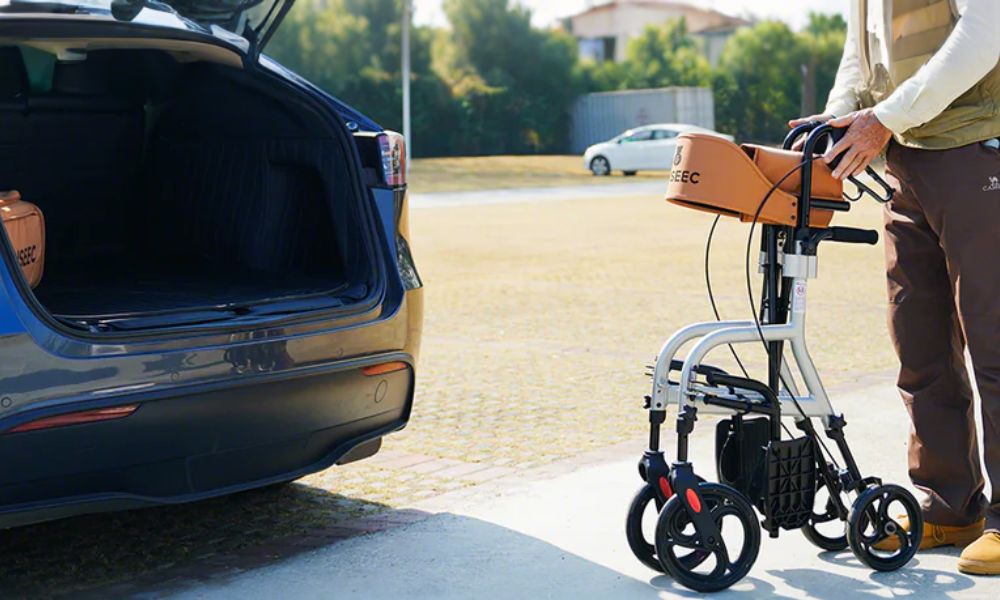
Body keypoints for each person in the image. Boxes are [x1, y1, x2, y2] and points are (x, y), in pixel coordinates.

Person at [790, 0, 1000, 576]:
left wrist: (882, 119)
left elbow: (985, 35)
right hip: (907, 158)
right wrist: (836, 121)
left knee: (995, 342)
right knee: (920, 342)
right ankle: (950, 504)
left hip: (977, 149)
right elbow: (861, 56)